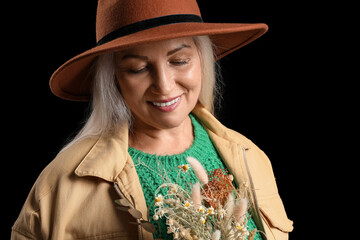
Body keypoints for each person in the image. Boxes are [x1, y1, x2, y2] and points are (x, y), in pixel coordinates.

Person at [12, 0, 293, 239]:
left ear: (202, 59)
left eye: (179, 60)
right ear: (113, 78)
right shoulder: (59, 188)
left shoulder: (250, 157)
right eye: (138, 68)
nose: (165, 85)